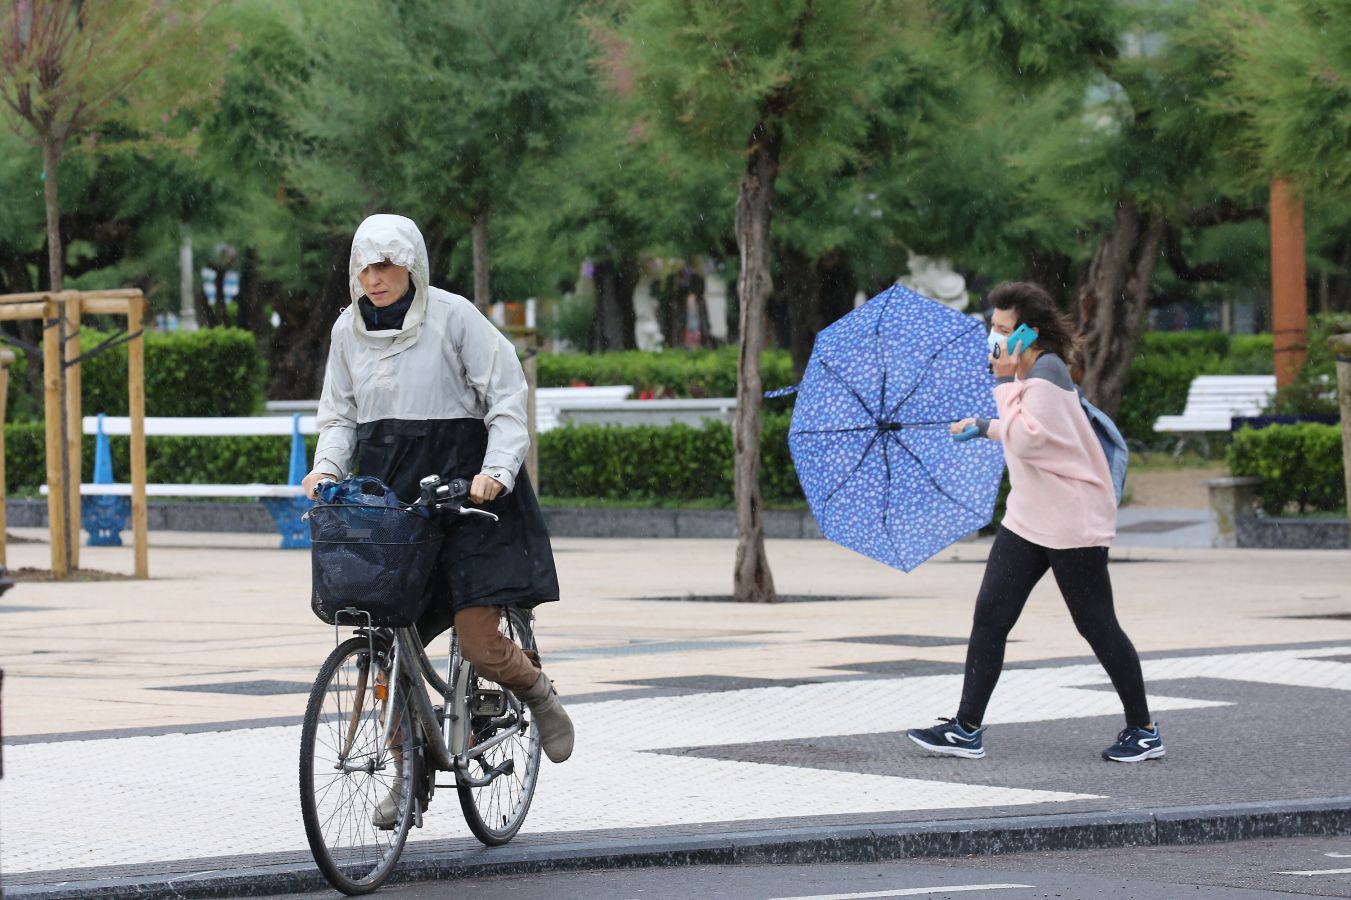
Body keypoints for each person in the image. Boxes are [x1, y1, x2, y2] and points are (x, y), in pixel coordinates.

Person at [302, 215, 575, 820]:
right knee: (382, 648)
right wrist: (325, 469)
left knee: (479, 643)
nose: (374, 279)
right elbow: (338, 416)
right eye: (364, 268)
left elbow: (507, 395)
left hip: (469, 499)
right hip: (396, 508)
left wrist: (498, 471)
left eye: (386, 266)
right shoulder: (346, 331)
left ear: (412, 268)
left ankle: (536, 692)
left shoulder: (454, 318)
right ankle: (407, 771)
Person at [907, 281, 1163, 763]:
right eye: (994, 328)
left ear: (1028, 333)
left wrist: (1002, 385)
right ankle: (966, 728)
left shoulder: (1046, 371)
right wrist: (982, 427)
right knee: (991, 617)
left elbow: (1028, 440)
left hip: (1071, 519)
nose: (995, 338)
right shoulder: (1029, 373)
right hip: (1028, 517)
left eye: (1004, 329)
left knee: (1097, 625)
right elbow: (1031, 433)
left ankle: (1144, 729)